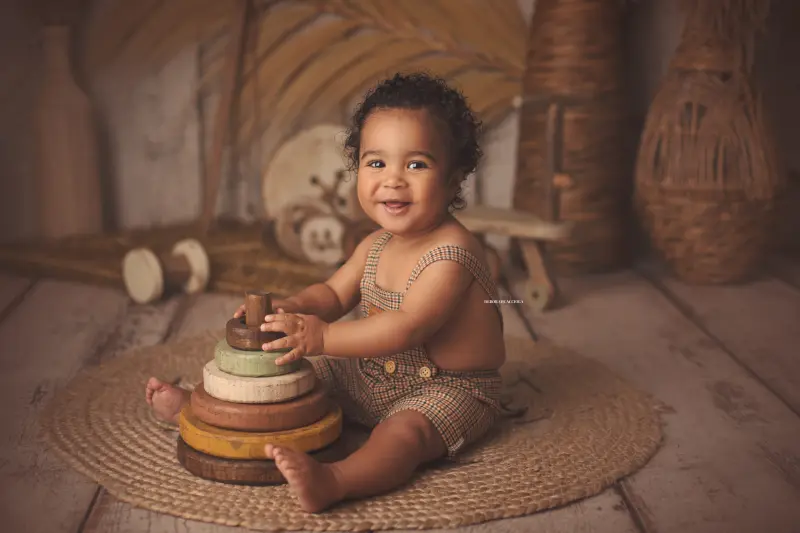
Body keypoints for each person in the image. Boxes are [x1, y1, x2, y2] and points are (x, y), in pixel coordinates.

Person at [145, 72, 506, 513]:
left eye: (416, 164)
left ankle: (335, 479)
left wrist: (324, 338)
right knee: (295, 379)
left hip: (449, 390)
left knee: (405, 435)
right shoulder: (375, 245)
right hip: (375, 373)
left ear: (453, 181)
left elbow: (407, 327)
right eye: (376, 163)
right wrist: (291, 309)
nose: (393, 180)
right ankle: (207, 415)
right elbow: (332, 296)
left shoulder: (453, 252)